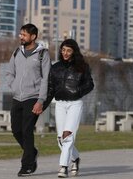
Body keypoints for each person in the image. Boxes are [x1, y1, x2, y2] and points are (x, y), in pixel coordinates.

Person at [5, 23, 51, 177]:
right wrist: (13, 86)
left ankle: (27, 166)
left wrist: (41, 100)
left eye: (24, 35)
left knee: (26, 130)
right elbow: (10, 72)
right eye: (20, 34)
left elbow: (46, 79)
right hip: (17, 97)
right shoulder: (17, 51)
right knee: (16, 130)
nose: (21, 37)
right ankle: (32, 152)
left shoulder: (42, 54)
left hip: (33, 98)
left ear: (33, 36)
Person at [46, 39, 94, 178]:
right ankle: (75, 158)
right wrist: (42, 105)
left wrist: (78, 91)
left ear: (74, 52)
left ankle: (63, 167)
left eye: (68, 50)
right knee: (60, 139)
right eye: (63, 50)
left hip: (75, 104)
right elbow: (50, 88)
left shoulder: (82, 67)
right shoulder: (55, 67)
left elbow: (90, 84)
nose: (65, 53)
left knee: (68, 135)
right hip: (60, 104)